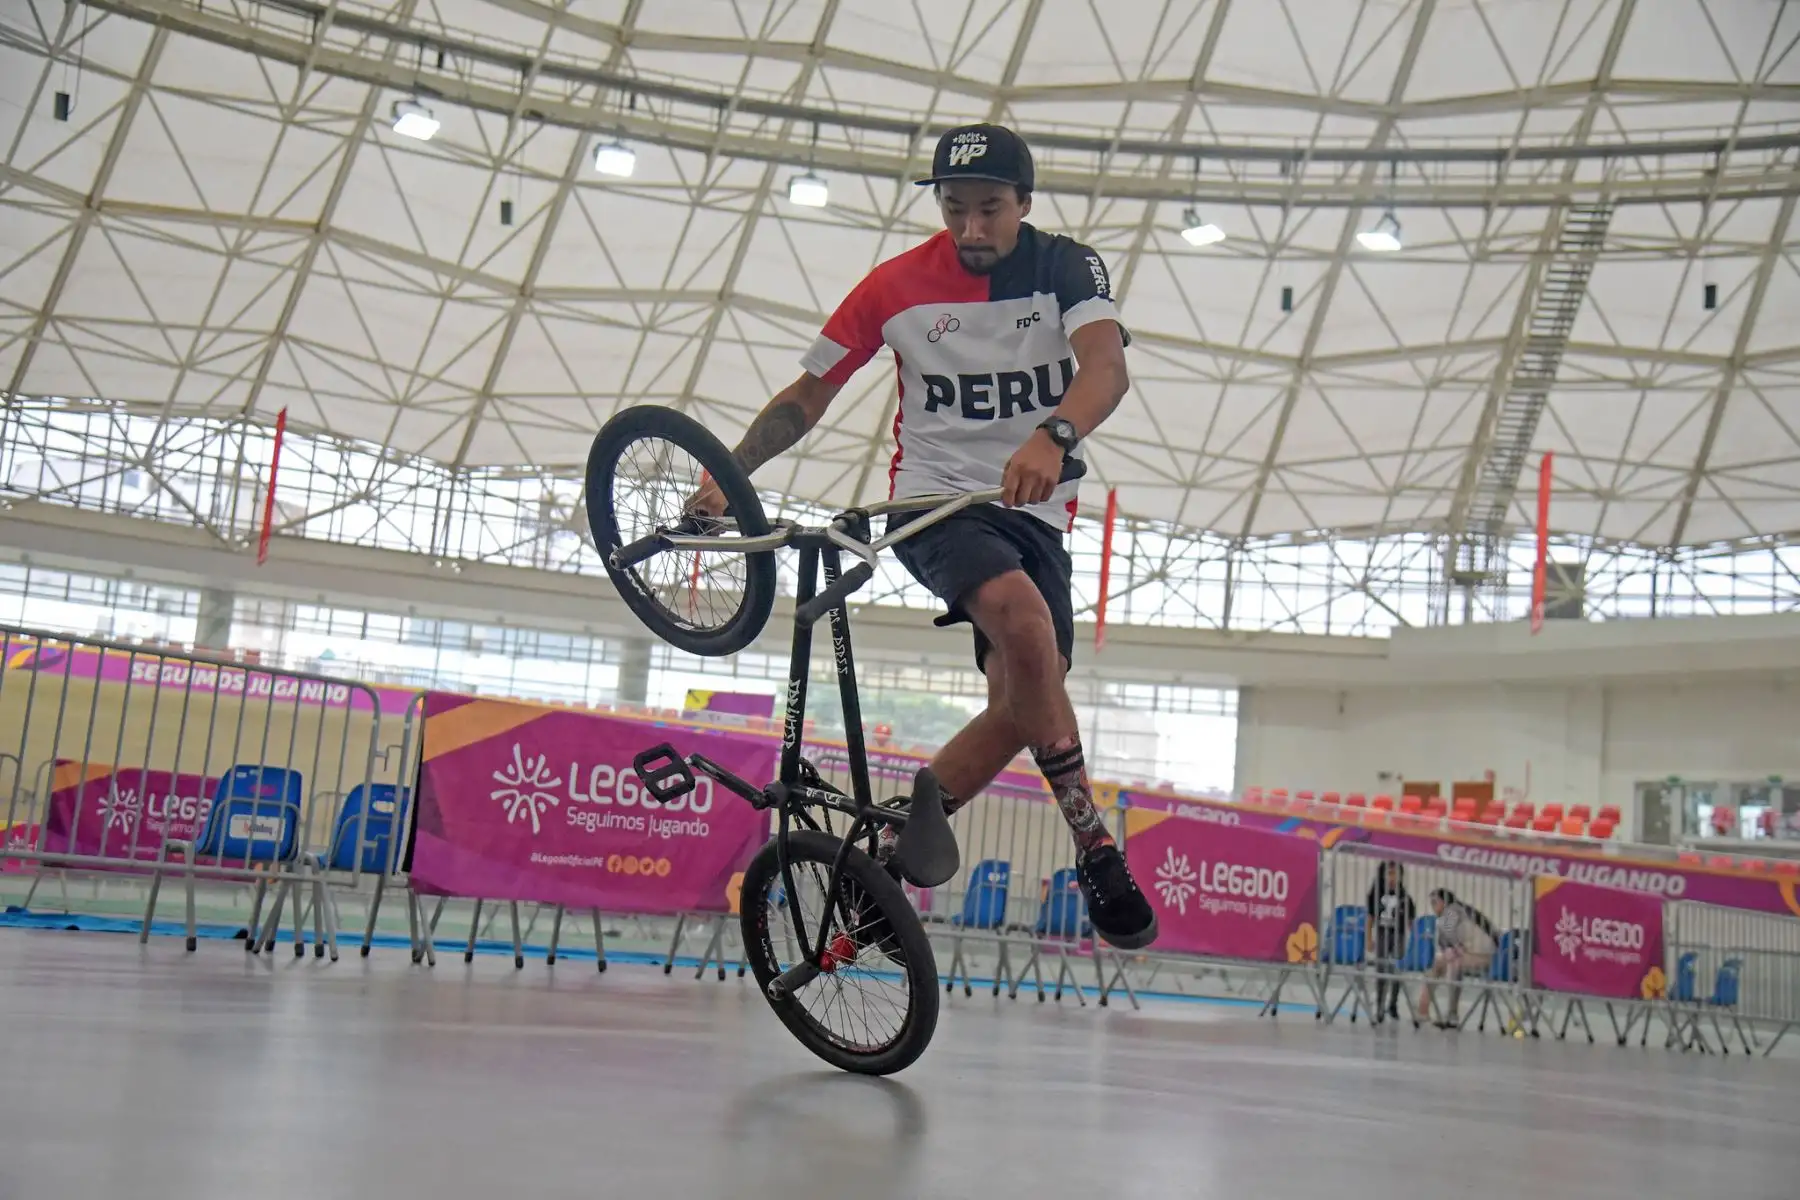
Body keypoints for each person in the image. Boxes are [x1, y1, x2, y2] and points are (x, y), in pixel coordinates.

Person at [686, 123, 1155, 949]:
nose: (973, 229)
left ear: (1025, 204)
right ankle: (1095, 844)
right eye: (955, 210)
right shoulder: (894, 286)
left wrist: (1054, 437)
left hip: (1037, 510)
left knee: (1022, 702)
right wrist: (732, 471)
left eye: (990, 210)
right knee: (1019, 619)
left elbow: (1105, 367)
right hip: (933, 504)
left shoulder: (1064, 266)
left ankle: (897, 843)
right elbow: (809, 393)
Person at [1417, 888, 1498, 1029]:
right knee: (1441, 962)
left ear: (1444, 902)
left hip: (1485, 955)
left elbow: (1449, 936)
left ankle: (1447, 1013)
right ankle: (1424, 1008)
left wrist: (1454, 949)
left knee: (1452, 963)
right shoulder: (1459, 912)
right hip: (1473, 953)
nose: (1433, 907)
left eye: (1434, 902)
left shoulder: (1452, 911)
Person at [1364, 860, 1415, 1025]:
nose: (1392, 878)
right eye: (1389, 874)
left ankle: (1393, 1003)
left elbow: (1411, 920)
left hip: (1398, 935)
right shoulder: (1376, 893)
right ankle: (1379, 1004)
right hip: (1382, 933)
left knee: (1397, 970)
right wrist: (1368, 938)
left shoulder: (1404, 896)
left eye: (1396, 874)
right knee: (1381, 969)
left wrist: (1414, 942)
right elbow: (1370, 918)